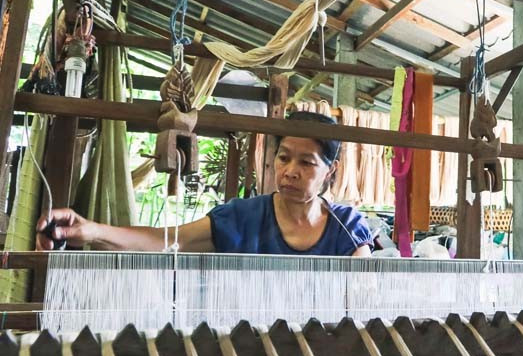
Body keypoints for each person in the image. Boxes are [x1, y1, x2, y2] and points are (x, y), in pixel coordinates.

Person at [36, 111, 373, 256]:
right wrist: (92, 230)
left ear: (331, 171)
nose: (290, 171)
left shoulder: (348, 228)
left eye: (307, 162)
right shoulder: (243, 217)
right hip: (247, 355)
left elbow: (363, 300)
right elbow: (169, 242)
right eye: (284, 157)